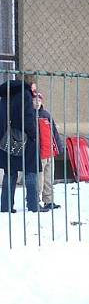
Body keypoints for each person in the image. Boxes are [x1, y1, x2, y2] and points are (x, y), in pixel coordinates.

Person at [1, 74, 40, 213]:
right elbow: (28, 119)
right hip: (25, 139)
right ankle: (33, 206)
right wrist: (34, 135)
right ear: (31, 83)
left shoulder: (6, 94)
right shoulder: (26, 95)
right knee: (30, 172)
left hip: (7, 139)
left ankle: (5, 207)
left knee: (10, 173)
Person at [33, 91, 64, 211]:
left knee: (49, 179)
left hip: (50, 152)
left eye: (39, 100)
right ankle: (35, 201)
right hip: (39, 154)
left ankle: (49, 201)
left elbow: (54, 133)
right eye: (35, 100)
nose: (37, 102)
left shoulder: (46, 115)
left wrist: (59, 148)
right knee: (39, 181)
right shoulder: (29, 115)